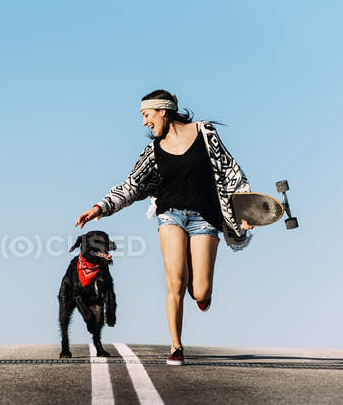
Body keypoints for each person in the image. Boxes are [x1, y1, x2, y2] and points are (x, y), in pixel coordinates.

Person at [74, 89, 254, 366]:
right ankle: (176, 346)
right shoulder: (153, 152)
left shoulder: (205, 134)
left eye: (146, 115)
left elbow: (230, 172)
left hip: (205, 217)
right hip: (170, 216)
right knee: (174, 283)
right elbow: (131, 186)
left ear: (163, 110)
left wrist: (245, 209)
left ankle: (197, 284)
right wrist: (100, 207)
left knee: (201, 291)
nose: (144, 122)